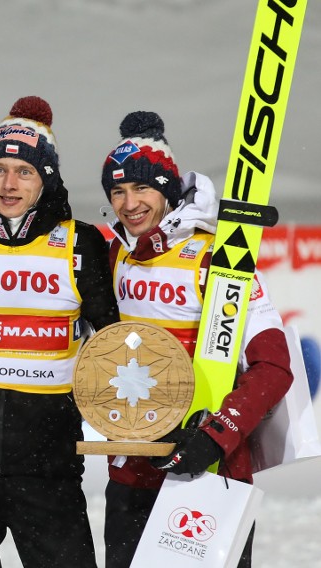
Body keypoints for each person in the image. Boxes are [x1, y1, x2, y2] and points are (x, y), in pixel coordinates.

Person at [99, 110, 293, 568]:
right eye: (118, 191)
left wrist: (216, 436)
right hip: (132, 474)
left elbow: (273, 366)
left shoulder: (217, 255)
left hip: (212, 474)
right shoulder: (116, 254)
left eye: (142, 188)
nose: (129, 204)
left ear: (167, 189)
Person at [0, 96, 119, 568]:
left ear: (45, 178)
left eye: (24, 171)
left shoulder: (79, 240)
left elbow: (115, 338)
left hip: (47, 465)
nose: (9, 184)